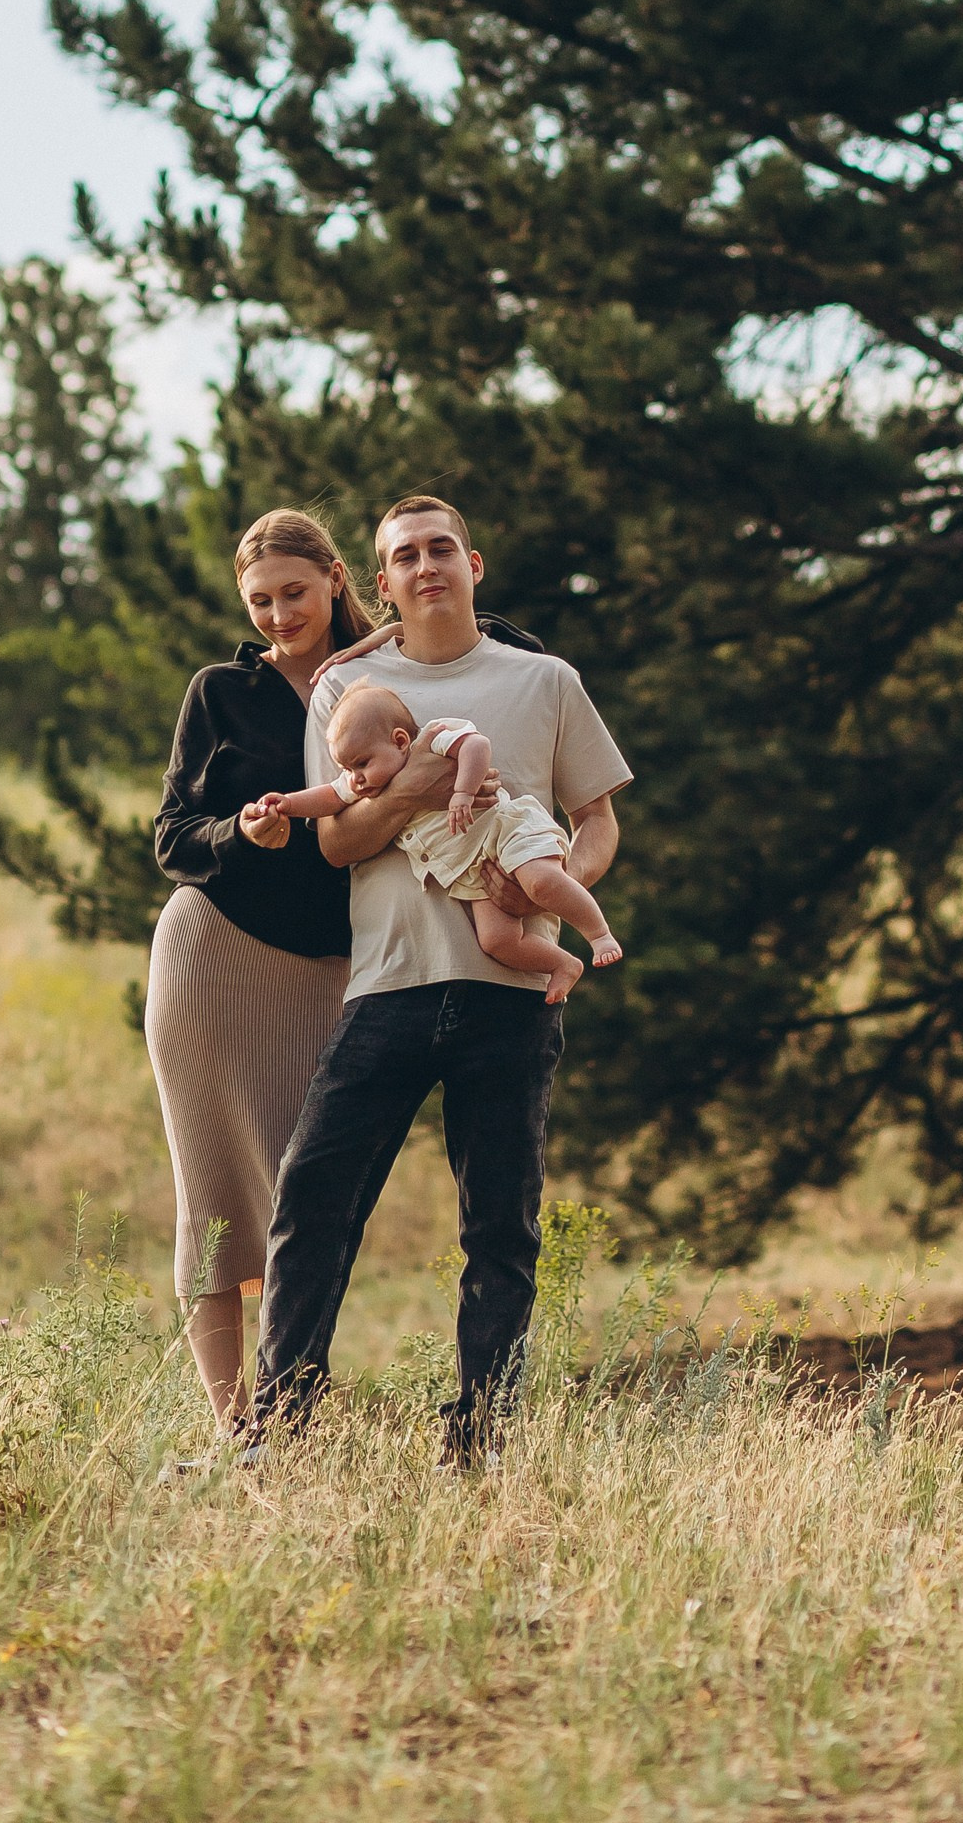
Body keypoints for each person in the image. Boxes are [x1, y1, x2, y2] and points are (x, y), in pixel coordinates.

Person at [246, 492, 631, 1467]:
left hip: (509, 989)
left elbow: (599, 822)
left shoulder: (545, 682)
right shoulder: (349, 691)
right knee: (313, 1199)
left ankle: (481, 1444)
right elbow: (336, 840)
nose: (426, 566)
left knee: (501, 1229)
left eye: (441, 549)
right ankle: (278, 1431)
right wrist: (416, 787)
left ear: (473, 565)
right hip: (389, 985)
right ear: (381, 583)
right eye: (405, 555)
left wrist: (554, 885)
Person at [144, 507, 389, 1427]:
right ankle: (230, 1428)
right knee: (211, 1200)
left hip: (331, 976)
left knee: (307, 1200)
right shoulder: (220, 693)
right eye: (260, 601)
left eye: (295, 592)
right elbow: (171, 835)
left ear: (335, 577)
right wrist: (241, 833)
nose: (280, 614)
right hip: (213, 960)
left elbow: (497, 641)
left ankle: (291, 1410)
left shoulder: (387, 675)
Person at [247, 683, 625, 1002]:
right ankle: (562, 964)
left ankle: (598, 934)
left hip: (505, 831)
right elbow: (330, 796)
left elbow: (476, 745)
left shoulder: (429, 740)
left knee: (541, 882)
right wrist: (288, 804)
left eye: (361, 764)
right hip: (472, 867)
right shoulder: (366, 781)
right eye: (348, 768)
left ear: (398, 741)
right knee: (496, 941)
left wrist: (463, 791)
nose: (355, 778)